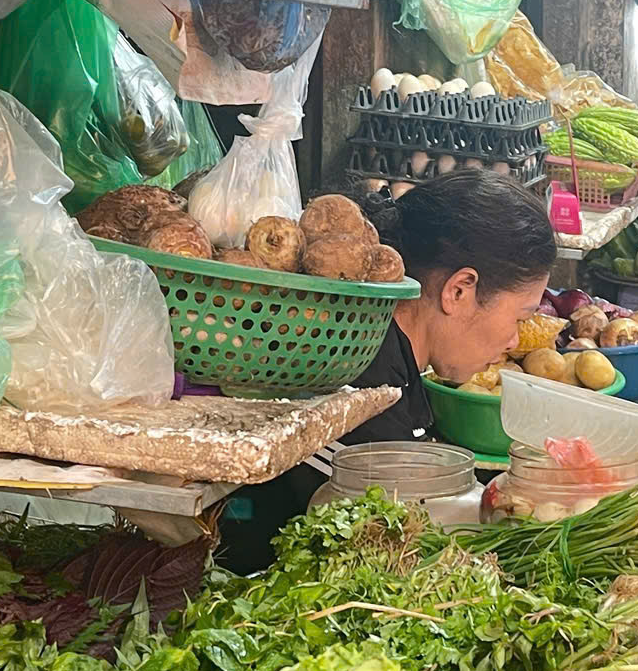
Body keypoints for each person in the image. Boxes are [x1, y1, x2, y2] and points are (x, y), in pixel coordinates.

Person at [218, 172, 556, 571]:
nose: (515, 342)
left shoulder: (392, 354)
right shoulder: (359, 385)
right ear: (459, 290)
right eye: (520, 317)